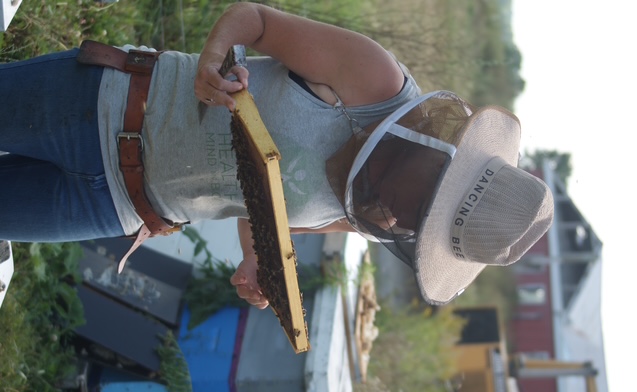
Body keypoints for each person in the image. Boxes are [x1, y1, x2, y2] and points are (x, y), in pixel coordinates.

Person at [0, 2, 553, 308]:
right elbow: (255, 21)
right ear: (442, 164)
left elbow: (260, 208)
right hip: (103, 105)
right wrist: (213, 60)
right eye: (423, 218)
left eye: (419, 237)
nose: (401, 226)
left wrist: (257, 260)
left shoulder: (375, 213)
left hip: (117, 206)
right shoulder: (375, 81)